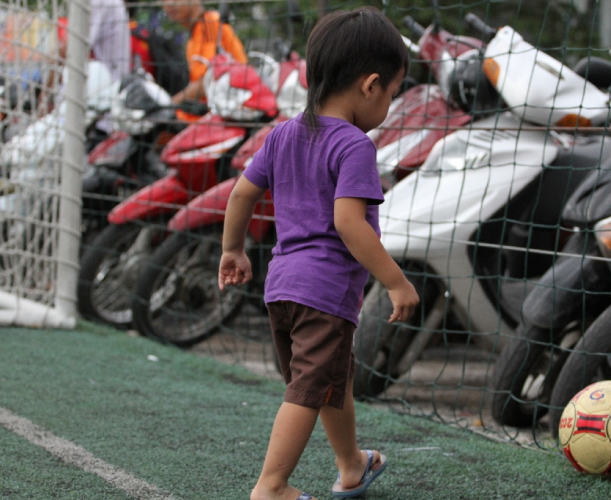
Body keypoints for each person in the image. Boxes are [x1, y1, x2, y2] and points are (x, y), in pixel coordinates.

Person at [218, 7, 418, 500]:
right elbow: (348, 223)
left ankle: (350, 465)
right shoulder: (354, 146)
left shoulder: (283, 133)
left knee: (332, 381)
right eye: (393, 93)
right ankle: (271, 486)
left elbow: (241, 194)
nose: (389, 104)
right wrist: (395, 280)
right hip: (324, 293)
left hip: (281, 287)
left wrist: (234, 250)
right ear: (370, 86)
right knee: (308, 390)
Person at [161, 0, 247, 121]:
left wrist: (167, 105)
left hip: (227, 112)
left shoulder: (209, 24)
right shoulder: (195, 33)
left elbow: (207, 81)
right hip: (209, 112)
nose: (168, 4)